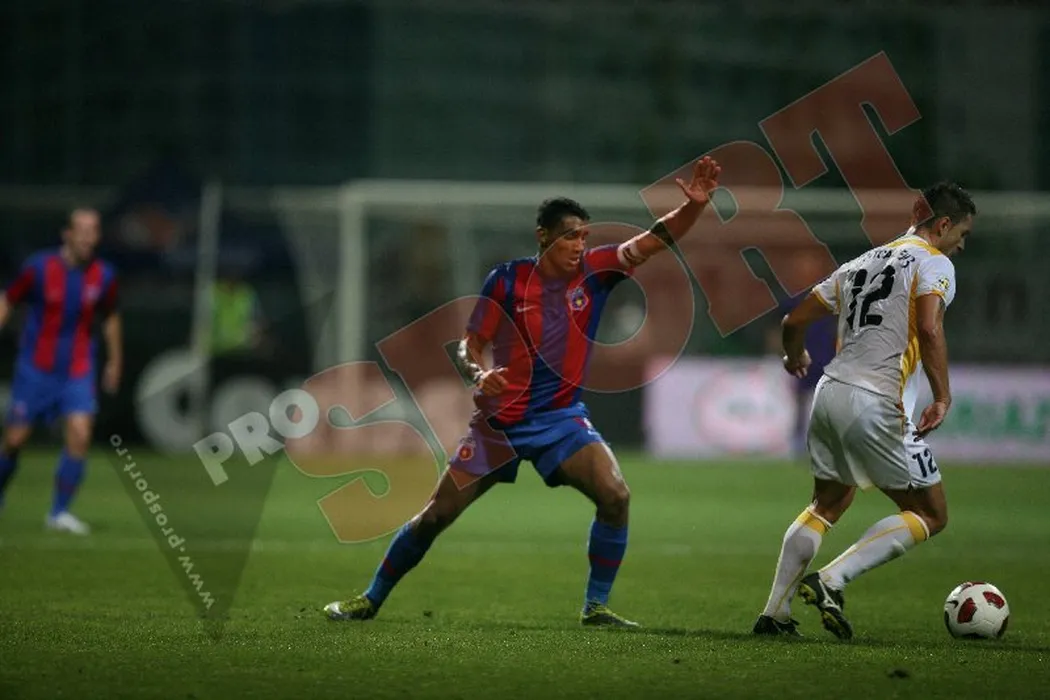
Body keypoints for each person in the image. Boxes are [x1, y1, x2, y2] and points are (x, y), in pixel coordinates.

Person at [325, 156, 722, 627]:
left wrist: (693, 207)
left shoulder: (595, 271)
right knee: (435, 516)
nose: (579, 245)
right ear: (543, 236)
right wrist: (479, 373)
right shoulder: (507, 280)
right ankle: (369, 599)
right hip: (501, 424)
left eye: (584, 236)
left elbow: (655, 238)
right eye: (570, 236)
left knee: (616, 495)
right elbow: (471, 344)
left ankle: (595, 607)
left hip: (561, 419)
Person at [753, 182, 976, 638]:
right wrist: (942, 396)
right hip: (876, 399)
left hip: (829, 392)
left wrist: (793, 356)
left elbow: (793, 320)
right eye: (963, 234)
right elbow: (930, 328)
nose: (962, 245)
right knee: (931, 513)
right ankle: (833, 579)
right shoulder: (935, 263)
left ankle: (774, 613)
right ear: (943, 225)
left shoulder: (862, 262)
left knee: (827, 503)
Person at [0, 209, 122, 535]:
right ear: (66, 234)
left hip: (78, 369)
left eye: (94, 231)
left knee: (80, 434)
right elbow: (8, 299)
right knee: (15, 439)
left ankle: (59, 513)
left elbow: (110, 315)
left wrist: (115, 360)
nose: (88, 237)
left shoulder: (104, 275)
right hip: (35, 368)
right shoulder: (39, 268)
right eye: (82, 230)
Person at [764, 248, 838, 456]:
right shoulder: (792, 301)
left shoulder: (830, 296)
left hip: (827, 358)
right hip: (802, 357)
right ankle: (797, 444)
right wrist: (779, 352)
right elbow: (776, 329)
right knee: (800, 401)